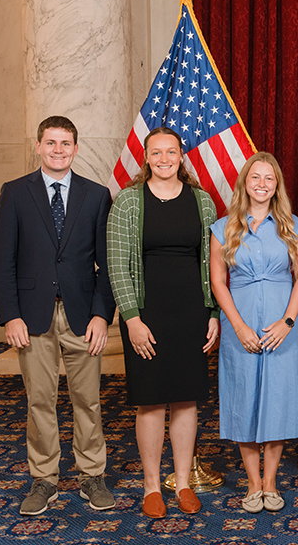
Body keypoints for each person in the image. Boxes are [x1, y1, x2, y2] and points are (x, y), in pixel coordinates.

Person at [0, 116, 116, 515]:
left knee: (88, 401)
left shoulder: (96, 196)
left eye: (66, 143)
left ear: (76, 149)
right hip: (32, 317)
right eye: (51, 142)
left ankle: (91, 475)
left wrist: (101, 315)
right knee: (40, 400)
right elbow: (1, 260)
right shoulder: (14, 193)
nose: (58, 150)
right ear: (39, 147)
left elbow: (109, 263)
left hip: (83, 317)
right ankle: (44, 479)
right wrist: (11, 315)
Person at [107, 126, 219, 519]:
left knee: (187, 400)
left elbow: (213, 262)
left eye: (171, 152)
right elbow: (118, 266)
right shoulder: (127, 202)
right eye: (157, 153)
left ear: (181, 156)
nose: (165, 159)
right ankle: (152, 486)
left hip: (191, 312)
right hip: (147, 315)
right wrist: (132, 318)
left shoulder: (202, 202)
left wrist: (213, 313)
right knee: (151, 401)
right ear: (147, 158)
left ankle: (184, 482)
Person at [211, 152, 298, 513]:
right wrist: (237, 326)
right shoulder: (223, 228)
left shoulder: (292, 226)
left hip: (282, 326)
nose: (262, 184)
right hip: (240, 324)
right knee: (245, 400)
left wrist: (287, 321)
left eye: (269, 179)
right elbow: (217, 281)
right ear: (244, 183)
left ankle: (271, 482)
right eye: (256, 177)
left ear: (277, 185)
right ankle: (252, 484)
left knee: (277, 402)